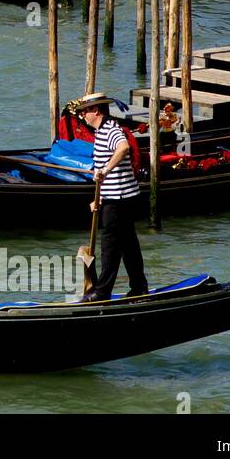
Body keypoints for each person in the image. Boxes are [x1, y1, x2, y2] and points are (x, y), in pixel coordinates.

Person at [75, 92, 149, 302]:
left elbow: (123, 147)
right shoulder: (100, 131)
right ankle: (139, 287)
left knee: (110, 244)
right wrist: (97, 198)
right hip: (116, 196)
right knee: (128, 244)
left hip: (120, 198)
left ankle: (102, 291)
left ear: (95, 111)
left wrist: (106, 170)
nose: (82, 116)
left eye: (84, 112)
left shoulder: (111, 129)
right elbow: (100, 172)